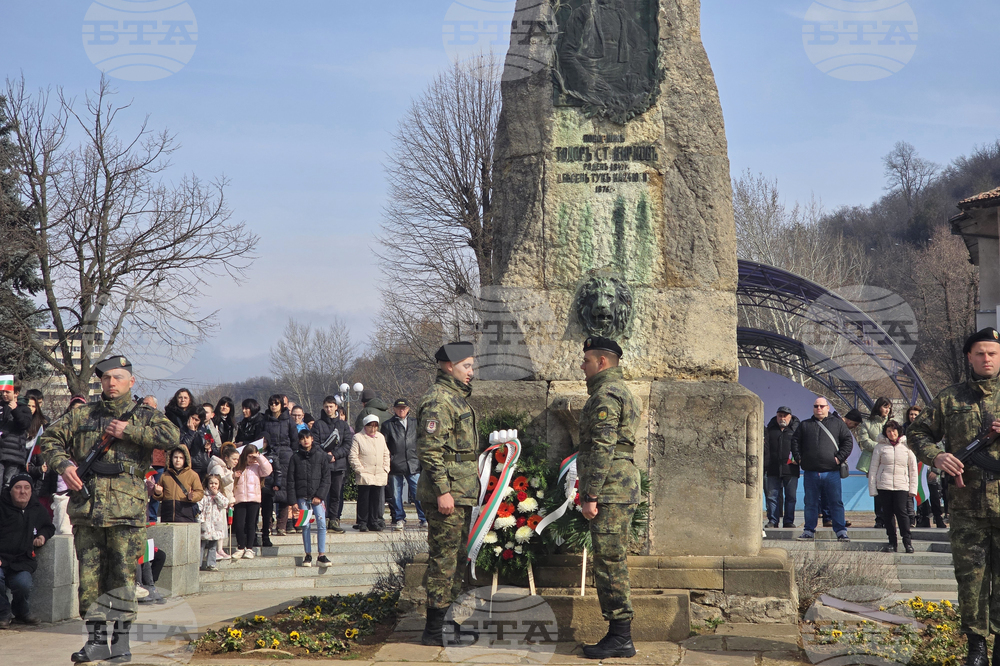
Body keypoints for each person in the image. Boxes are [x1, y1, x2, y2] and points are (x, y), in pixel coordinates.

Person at [40, 355, 178, 663]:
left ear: (131, 382)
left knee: (123, 578)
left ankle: (122, 642)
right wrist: (64, 466)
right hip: (88, 511)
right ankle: (96, 640)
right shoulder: (83, 414)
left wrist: (128, 431)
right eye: (105, 378)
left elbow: (173, 437)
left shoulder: (144, 415)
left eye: (117, 378)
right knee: (90, 579)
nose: (111, 383)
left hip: (126, 512)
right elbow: (49, 439)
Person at [908, 327, 1000, 666]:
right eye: (980, 353)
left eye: (992, 352)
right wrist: (937, 456)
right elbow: (916, 432)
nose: (986, 358)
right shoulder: (950, 398)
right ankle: (976, 647)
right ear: (969, 357)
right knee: (971, 579)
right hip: (967, 507)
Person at [575, 337, 641, 660]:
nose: (582, 366)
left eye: (586, 360)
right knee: (611, 559)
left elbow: (603, 447)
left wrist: (591, 493)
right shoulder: (617, 391)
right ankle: (619, 633)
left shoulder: (606, 394)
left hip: (610, 488)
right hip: (616, 486)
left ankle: (620, 636)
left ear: (602, 362)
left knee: (609, 561)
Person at [417, 342, 479, 646]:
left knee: (456, 561)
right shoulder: (438, 401)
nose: (471, 372)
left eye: (471, 366)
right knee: (443, 561)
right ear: (447, 366)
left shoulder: (455, 399)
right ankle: (434, 629)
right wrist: (442, 491)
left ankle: (449, 623)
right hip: (448, 495)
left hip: (460, 493)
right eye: (466, 366)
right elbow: (430, 450)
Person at [792, 396, 853, 543]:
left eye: (821, 406)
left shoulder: (838, 424)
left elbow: (848, 441)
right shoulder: (805, 425)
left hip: (831, 471)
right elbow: (795, 441)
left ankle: (840, 532)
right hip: (811, 472)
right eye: (816, 406)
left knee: (835, 502)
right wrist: (799, 458)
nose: (818, 408)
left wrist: (839, 458)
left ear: (828, 408)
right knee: (810, 503)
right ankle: (808, 531)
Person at [0, 474, 55, 627]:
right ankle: (3, 613)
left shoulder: (36, 508)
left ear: (31, 491)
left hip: (22, 560)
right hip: (1, 559)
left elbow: (48, 526)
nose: (22, 492)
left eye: (26, 488)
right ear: (11, 490)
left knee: (23, 584)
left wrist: (42, 536)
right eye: (17, 488)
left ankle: (21, 613)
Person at [868, 420, 918, 553]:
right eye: (888, 431)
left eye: (894, 430)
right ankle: (892, 542)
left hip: (901, 486)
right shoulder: (879, 447)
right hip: (884, 485)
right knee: (888, 514)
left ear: (899, 431)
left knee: (902, 513)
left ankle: (907, 542)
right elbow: (873, 469)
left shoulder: (907, 447)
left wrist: (913, 489)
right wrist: (873, 488)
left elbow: (913, 469)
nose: (891, 433)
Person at [286, 431, 331, 567]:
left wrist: (320, 496)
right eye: (302, 438)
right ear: (299, 441)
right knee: (305, 525)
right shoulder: (295, 458)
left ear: (312, 439)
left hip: (318, 498)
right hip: (302, 498)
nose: (305, 440)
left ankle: (321, 555)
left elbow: (326, 478)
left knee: (322, 524)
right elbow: (290, 481)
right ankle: (308, 555)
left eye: (307, 438)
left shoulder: (321, 456)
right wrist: (293, 501)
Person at [311, 397, 352, 534]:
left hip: (339, 465)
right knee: (323, 493)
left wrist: (335, 455)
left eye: (331, 406)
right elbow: (314, 444)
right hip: (323, 465)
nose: (328, 409)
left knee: (336, 493)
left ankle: (334, 519)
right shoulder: (318, 425)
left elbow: (347, 445)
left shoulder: (343, 425)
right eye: (326, 406)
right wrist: (327, 456)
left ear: (336, 407)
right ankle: (323, 518)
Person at [382, 398, 425, 530]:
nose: (402, 410)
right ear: (394, 409)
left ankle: (423, 518)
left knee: (418, 493)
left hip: (413, 463)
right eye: (399, 408)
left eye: (404, 408)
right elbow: (384, 445)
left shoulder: (415, 423)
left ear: (408, 409)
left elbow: (421, 442)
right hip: (396, 464)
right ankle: (400, 518)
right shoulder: (388, 425)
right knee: (396, 494)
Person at [262, 394, 299, 535]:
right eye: (271, 403)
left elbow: (294, 440)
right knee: (269, 491)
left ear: (282, 405)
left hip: (285, 456)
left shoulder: (288, 421)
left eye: (276, 403)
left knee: (284, 491)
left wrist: (291, 454)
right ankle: (268, 525)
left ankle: (282, 525)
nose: (273, 406)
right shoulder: (265, 420)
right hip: (269, 455)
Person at [230, 444, 273, 559]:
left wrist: (259, 457)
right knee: (239, 524)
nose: (251, 459)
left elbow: (268, 470)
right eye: (249, 456)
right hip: (240, 499)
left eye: (253, 457)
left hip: (254, 499)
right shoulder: (239, 466)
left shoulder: (257, 466)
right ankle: (240, 547)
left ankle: (249, 548)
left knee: (251, 524)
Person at [350, 414, 391, 532]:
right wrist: (361, 470)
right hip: (365, 473)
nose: (373, 429)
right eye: (370, 426)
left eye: (375, 427)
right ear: (365, 426)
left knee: (376, 499)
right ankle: (363, 521)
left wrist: (385, 468)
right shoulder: (358, 437)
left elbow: (385, 453)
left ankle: (373, 521)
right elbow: (353, 456)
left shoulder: (381, 437)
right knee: (364, 498)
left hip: (379, 473)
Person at [856, 397, 892, 529]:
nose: (887, 410)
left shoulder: (892, 423)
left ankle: (890, 517)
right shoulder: (867, 423)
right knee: (877, 491)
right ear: (878, 407)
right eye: (884, 407)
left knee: (890, 490)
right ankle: (880, 518)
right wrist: (881, 446)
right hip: (874, 461)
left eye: (889, 407)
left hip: (890, 461)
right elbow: (865, 441)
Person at [763, 406, 800, 528]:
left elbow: (803, 447)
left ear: (790, 417)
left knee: (790, 497)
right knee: (772, 496)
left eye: (785, 416)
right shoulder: (770, 430)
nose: (782, 418)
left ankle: (788, 521)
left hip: (791, 469)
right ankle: (773, 520)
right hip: (772, 468)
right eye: (780, 415)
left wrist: (799, 459)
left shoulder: (797, 430)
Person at [152, 445, 204, 523]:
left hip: (185, 514)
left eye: (181, 458)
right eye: (175, 457)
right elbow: (159, 496)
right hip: (167, 515)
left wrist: (192, 496)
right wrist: (158, 493)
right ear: (171, 458)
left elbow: (200, 492)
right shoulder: (164, 475)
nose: (178, 460)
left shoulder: (193, 475)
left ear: (185, 459)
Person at [0, 375, 32, 488]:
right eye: (2, 392)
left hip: (14, 454)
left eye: (7, 392)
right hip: (1, 451)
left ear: (16, 393)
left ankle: (6, 505)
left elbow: (24, 425)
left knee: (9, 485)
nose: (4, 395)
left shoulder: (24, 409)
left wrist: (15, 410)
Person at [207, 444, 238, 560]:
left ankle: (220, 549)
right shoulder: (218, 468)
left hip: (224, 501)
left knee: (223, 526)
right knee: (217, 527)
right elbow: (219, 483)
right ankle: (215, 550)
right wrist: (232, 476)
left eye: (237, 460)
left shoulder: (227, 468)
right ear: (226, 458)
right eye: (234, 459)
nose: (236, 462)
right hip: (215, 502)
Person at [198, 474, 228, 571]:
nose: (213, 485)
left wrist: (217, 495)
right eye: (211, 483)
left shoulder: (220, 495)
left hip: (216, 526)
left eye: (215, 483)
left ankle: (211, 564)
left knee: (213, 546)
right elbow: (199, 508)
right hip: (205, 524)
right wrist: (201, 521)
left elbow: (224, 504)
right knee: (201, 546)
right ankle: (198, 564)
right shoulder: (203, 495)